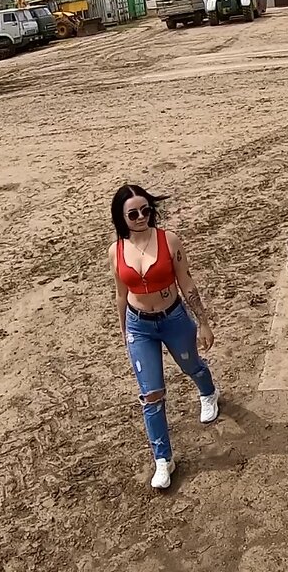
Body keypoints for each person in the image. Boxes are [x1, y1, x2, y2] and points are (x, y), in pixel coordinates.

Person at [108, 184, 219, 489]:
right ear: (121, 217)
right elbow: (120, 294)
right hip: (138, 326)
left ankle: (208, 392)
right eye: (133, 213)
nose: (142, 216)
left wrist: (204, 322)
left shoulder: (168, 240)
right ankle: (162, 459)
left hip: (173, 318)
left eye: (146, 210)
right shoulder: (116, 251)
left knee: (191, 365)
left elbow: (187, 282)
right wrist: (124, 330)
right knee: (151, 394)